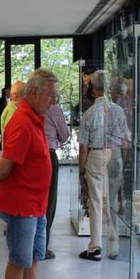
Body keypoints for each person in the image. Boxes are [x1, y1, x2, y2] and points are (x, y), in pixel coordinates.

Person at [0, 68, 60, 279]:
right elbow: (6, 164)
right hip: (22, 204)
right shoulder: (23, 121)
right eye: (50, 95)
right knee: (18, 260)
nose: (54, 100)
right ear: (34, 92)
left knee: (34, 258)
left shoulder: (35, 118)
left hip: (37, 204)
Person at [78, 70, 129, 261]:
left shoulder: (89, 113)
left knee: (96, 201)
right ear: (108, 88)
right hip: (115, 155)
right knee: (112, 200)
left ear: (92, 88)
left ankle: (96, 246)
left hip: (97, 154)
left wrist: (82, 169)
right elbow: (125, 141)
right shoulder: (118, 111)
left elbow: (83, 147)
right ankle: (114, 245)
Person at [43, 103, 70, 260]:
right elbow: (65, 135)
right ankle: (42, 246)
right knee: (48, 203)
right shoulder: (53, 108)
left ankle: (32, 243)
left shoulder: (24, 108)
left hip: (31, 156)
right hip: (48, 153)